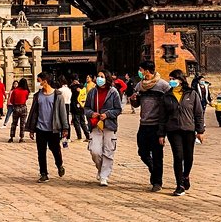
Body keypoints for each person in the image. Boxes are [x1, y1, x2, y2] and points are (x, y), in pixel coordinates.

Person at [159, 70, 206, 196]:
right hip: (173, 130)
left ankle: (186, 176)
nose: (171, 81)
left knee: (188, 156)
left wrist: (200, 131)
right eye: (170, 79)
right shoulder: (167, 96)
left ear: (180, 79)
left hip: (188, 129)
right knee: (178, 156)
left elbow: (198, 113)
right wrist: (161, 134)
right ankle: (179, 184)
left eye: (173, 78)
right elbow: (162, 117)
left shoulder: (191, 94)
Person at [130, 60, 171, 192]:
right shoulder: (140, 85)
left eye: (141, 70)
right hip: (144, 123)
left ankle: (157, 182)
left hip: (157, 124)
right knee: (142, 151)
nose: (140, 72)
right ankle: (153, 169)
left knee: (158, 154)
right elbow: (137, 104)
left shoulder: (163, 85)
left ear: (147, 71)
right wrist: (134, 100)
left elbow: (169, 103)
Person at [25, 72, 69, 183]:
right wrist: (31, 129)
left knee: (55, 150)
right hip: (40, 128)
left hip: (53, 128)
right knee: (41, 152)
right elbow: (34, 113)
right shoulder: (37, 95)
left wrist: (65, 128)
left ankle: (59, 165)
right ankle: (43, 173)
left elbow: (63, 113)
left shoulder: (57, 95)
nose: (38, 83)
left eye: (39, 80)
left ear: (45, 81)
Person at [84, 70, 122, 187]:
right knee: (95, 151)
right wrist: (91, 114)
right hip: (96, 125)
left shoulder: (113, 92)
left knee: (108, 151)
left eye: (102, 76)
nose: (99, 78)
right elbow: (86, 108)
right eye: (98, 76)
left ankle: (104, 176)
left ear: (107, 78)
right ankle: (101, 170)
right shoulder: (92, 92)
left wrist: (108, 114)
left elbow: (118, 109)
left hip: (109, 125)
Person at [7, 79, 31, 143]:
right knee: (22, 124)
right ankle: (21, 138)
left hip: (16, 107)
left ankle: (11, 137)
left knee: (14, 123)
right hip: (23, 107)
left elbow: (11, 100)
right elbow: (26, 98)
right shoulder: (26, 91)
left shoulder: (15, 91)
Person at [57, 76, 73, 140]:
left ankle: (61, 136)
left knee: (61, 120)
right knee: (66, 121)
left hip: (61, 105)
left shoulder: (60, 90)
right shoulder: (69, 90)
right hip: (68, 105)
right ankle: (68, 137)